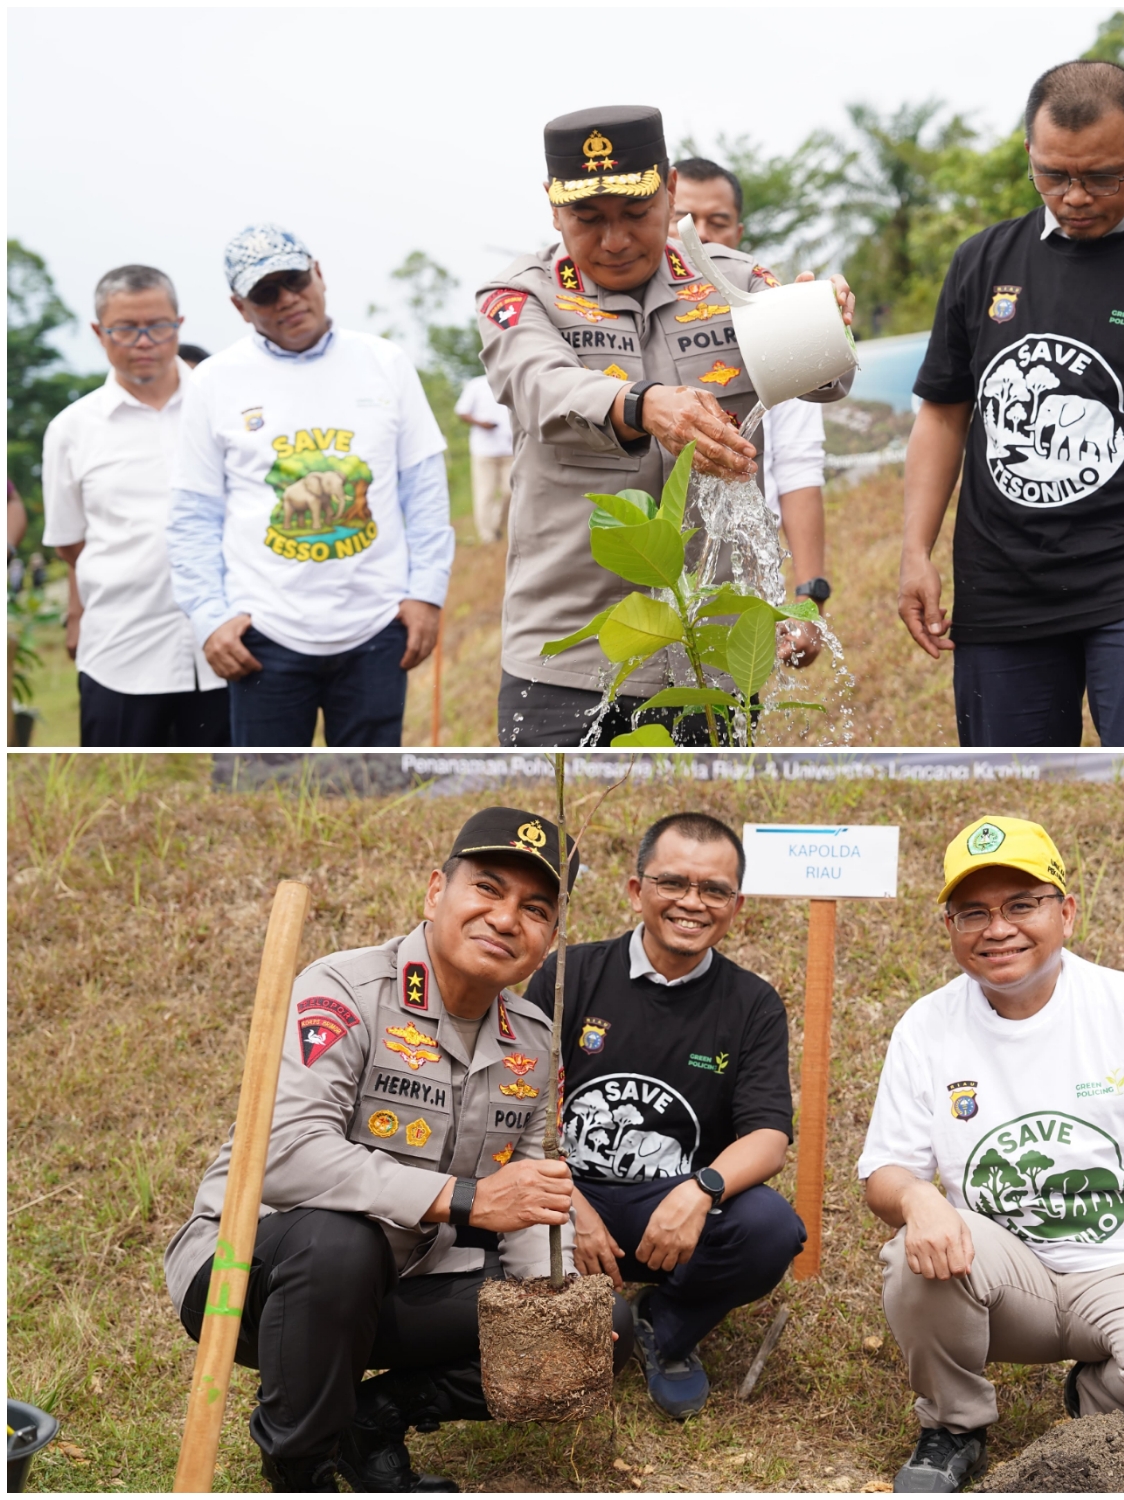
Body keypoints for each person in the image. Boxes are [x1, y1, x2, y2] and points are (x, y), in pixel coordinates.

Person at [163, 806, 615, 1492]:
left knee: (599, 1323)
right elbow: (282, 1154)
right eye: (487, 889)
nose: (505, 919)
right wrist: (465, 1200)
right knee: (340, 1245)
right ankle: (302, 1471)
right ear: (437, 892)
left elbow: (522, 1187)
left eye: (535, 909)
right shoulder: (345, 990)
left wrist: (548, 1310)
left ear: (550, 938)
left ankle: (376, 1419)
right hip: (252, 1279)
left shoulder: (530, 1036)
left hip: (401, 1286)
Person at [860, 815, 1124, 1492]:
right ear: (948, 928)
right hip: (1003, 1277)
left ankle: (1095, 1406)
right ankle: (953, 1427)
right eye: (973, 912)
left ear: (1065, 913)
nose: (998, 928)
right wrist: (919, 1199)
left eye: (1022, 905)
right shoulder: (927, 1026)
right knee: (911, 1253)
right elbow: (884, 1170)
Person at [475, 106, 855, 746]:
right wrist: (645, 406)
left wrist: (825, 322)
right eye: (587, 220)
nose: (615, 240)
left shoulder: (734, 283)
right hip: (570, 661)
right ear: (552, 207)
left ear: (671, 191)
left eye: (636, 215)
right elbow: (538, 385)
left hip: (709, 657)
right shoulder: (523, 298)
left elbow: (829, 383)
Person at [899, 61, 1124, 748]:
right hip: (1003, 583)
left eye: (1102, 176)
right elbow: (943, 412)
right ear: (1030, 153)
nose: (1075, 196)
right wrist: (915, 550)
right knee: (1010, 789)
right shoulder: (982, 263)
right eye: (1053, 175)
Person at [525, 811, 803, 1419]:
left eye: (714, 890)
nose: (691, 903)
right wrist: (569, 1204)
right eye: (672, 883)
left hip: (674, 1213)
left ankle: (670, 1327)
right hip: (566, 1193)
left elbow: (769, 1137)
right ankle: (598, 1316)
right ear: (636, 891)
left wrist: (702, 1190)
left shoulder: (753, 1003)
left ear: (737, 904)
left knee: (770, 1228)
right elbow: (513, 1108)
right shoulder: (570, 974)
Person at [168, 224, 454, 747]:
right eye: (265, 292)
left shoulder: (384, 364)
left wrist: (426, 595)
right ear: (240, 306)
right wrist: (211, 617)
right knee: (267, 798)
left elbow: (426, 495)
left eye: (295, 279)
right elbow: (193, 515)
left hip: (377, 623)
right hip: (263, 633)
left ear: (318, 273)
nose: (287, 300)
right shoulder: (213, 382)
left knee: (371, 790)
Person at [40, 264, 229, 747]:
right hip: (122, 652)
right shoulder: (71, 430)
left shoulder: (225, 409)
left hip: (227, 650)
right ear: (98, 332)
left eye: (158, 326)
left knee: (234, 787)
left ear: (179, 325)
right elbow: (71, 543)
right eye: (125, 328)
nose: (144, 340)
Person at [673, 157, 831, 668]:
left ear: (738, 231)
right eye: (684, 220)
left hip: (734, 587)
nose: (700, 236)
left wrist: (808, 599)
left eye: (716, 223)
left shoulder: (769, 319)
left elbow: (798, 464)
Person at [454, 374, 514, 545]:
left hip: (510, 448)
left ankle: (498, 526)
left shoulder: (510, 381)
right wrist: (481, 424)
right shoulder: (476, 385)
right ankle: (487, 536)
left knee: (509, 491)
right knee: (485, 493)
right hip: (484, 450)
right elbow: (461, 411)